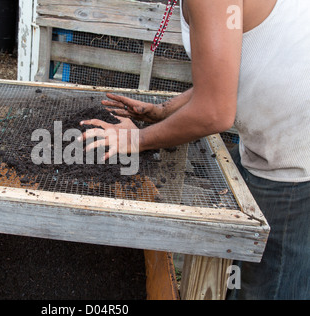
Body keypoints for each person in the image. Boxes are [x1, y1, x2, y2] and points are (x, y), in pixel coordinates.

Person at [80, 0, 310, 300]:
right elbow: (228, 72)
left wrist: (136, 140)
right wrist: (164, 111)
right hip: (272, 145)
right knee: (236, 275)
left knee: (270, 285)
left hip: (294, 164)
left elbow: (215, 112)